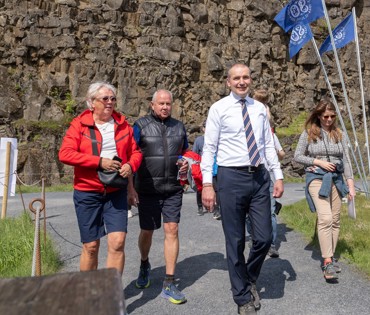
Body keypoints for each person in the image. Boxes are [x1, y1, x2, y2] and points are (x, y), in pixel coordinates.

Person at [201, 64, 284, 315]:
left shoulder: (259, 109)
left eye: (246, 77)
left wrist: (277, 175)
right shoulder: (218, 109)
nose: (241, 82)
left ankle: (247, 277)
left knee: (264, 238)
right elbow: (209, 148)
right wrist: (207, 184)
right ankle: (242, 297)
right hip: (230, 178)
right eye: (236, 78)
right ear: (228, 82)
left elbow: (267, 145)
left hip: (259, 177)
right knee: (235, 240)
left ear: (251, 80)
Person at [59, 81, 142, 276]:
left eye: (113, 99)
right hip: (87, 192)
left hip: (116, 192)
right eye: (105, 99)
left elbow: (136, 153)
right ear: (91, 102)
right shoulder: (79, 125)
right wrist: (99, 162)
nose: (110, 102)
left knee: (118, 241)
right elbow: (65, 154)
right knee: (91, 246)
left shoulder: (123, 125)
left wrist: (130, 165)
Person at [128, 89, 189, 304]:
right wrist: (131, 188)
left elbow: (186, 153)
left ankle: (169, 282)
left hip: (173, 189)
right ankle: (145, 263)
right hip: (147, 189)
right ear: (152, 105)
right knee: (147, 231)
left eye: (168, 103)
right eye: (160, 103)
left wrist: (185, 163)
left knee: (172, 229)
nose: (164, 107)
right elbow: (131, 155)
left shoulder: (179, 127)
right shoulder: (140, 126)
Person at [294, 98, 355, 281]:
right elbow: (297, 156)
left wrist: (350, 186)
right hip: (317, 178)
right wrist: (317, 161)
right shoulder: (309, 133)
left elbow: (346, 161)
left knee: (335, 220)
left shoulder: (340, 134)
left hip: (336, 179)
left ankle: (331, 256)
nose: (329, 119)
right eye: (326, 116)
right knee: (326, 218)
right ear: (318, 116)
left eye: (332, 116)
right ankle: (327, 261)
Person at [254, 89, 286, 258]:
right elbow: (282, 154)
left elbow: (280, 154)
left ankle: (269, 243)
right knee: (259, 212)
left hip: (266, 175)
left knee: (269, 212)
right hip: (255, 174)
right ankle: (262, 241)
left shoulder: (270, 134)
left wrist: (273, 154)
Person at [192, 120, 221, 219]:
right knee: (200, 189)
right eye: (205, 126)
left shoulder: (217, 139)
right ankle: (200, 207)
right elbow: (195, 154)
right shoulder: (199, 140)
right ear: (203, 128)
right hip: (202, 168)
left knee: (217, 189)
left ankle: (216, 209)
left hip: (215, 167)